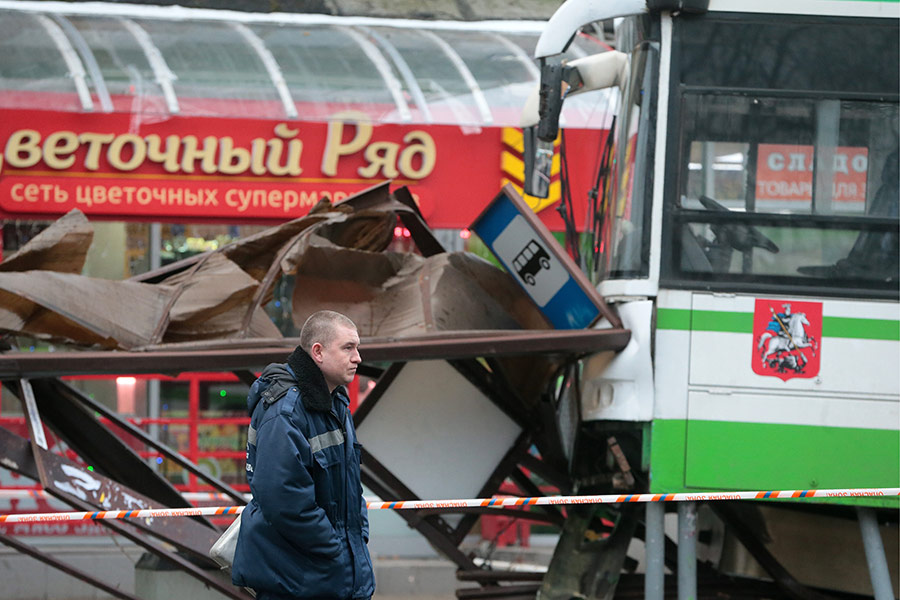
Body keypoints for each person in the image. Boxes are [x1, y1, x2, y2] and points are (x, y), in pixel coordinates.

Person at [232, 310, 374, 600]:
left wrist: (355, 540)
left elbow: (349, 486)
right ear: (318, 352)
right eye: (348, 347)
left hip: (327, 577)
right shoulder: (286, 410)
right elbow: (283, 499)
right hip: (300, 581)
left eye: (357, 347)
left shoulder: (335, 402)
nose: (358, 357)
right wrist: (336, 547)